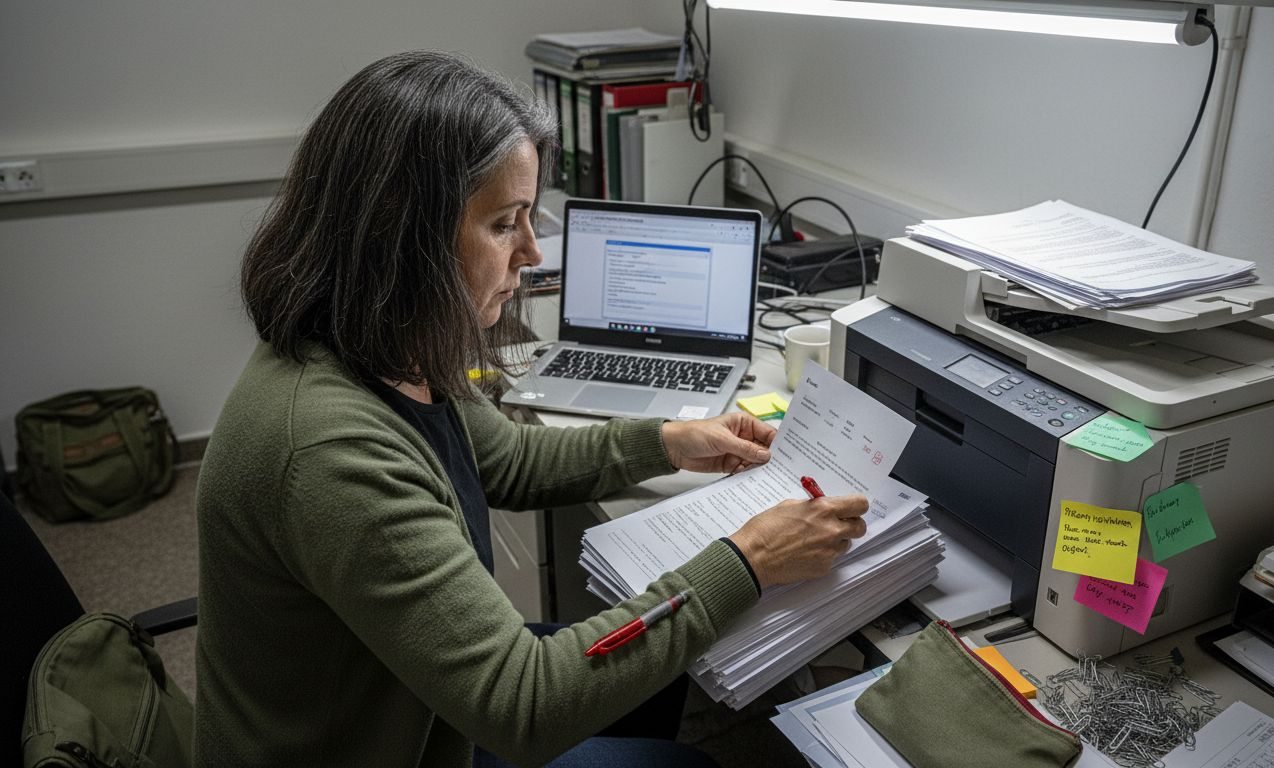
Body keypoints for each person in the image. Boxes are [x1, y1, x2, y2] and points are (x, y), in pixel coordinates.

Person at [193, 50, 868, 768]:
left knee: (658, 678)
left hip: (408, 706)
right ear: (403, 233)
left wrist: (671, 440)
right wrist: (750, 560)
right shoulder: (331, 451)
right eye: (503, 224)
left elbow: (506, 459)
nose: (533, 252)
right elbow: (524, 705)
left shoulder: (380, 344)